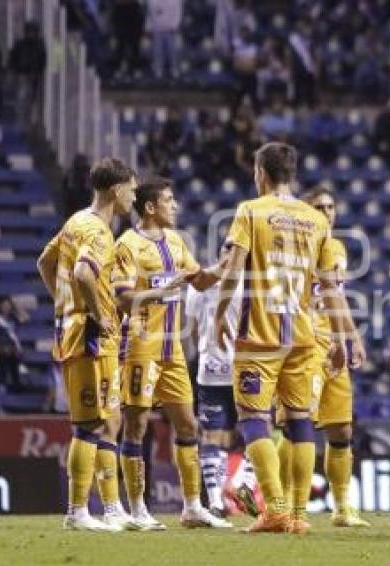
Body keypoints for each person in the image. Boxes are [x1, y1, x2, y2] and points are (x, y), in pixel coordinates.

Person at [215, 141, 365, 535]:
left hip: (259, 336)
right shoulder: (315, 222)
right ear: (292, 174)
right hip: (302, 337)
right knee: (301, 423)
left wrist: (218, 314)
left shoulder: (251, 211)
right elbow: (330, 288)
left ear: (260, 172)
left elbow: (231, 269)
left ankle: (276, 509)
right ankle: (298, 515)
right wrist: (348, 336)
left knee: (253, 420)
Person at [113, 177, 231, 530]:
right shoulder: (128, 246)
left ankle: (192, 507)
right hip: (139, 346)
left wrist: (233, 261)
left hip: (172, 349)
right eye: (169, 200)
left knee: (188, 425)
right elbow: (121, 297)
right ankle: (136, 509)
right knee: (135, 427)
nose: (175, 205)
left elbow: (201, 280)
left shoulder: (177, 242)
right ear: (150, 207)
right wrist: (163, 290)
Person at [36, 157, 138, 531]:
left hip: (76, 329)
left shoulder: (75, 221)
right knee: (90, 424)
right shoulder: (96, 231)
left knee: (109, 420)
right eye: (131, 187)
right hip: (89, 336)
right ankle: (77, 511)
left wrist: (63, 304)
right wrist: (94, 312)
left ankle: (110, 507)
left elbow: (44, 264)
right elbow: (81, 272)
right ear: (116, 189)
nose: (133, 195)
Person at [276, 186, 370, 528]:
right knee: (296, 424)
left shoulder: (337, 248)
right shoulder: (295, 247)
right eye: (319, 206)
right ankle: (283, 503)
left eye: (331, 206)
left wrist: (347, 337)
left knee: (341, 428)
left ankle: (343, 506)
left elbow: (336, 297)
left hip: (332, 343)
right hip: (304, 341)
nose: (327, 212)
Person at [185, 245, 259, 519]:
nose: (231, 251)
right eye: (228, 246)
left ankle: (233, 490)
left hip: (226, 369)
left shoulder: (201, 285)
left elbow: (191, 330)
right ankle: (223, 497)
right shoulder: (251, 283)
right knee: (241, 430)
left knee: (252, 429)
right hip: (230, 370)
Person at [8, 21, 46, 125]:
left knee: (32, 101)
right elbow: (12, 60)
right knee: (21, 99)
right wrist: (15, 72)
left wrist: (38, 74)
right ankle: (20, 120)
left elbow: (43, 62)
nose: (30, 34)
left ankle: (30, 122)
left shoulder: (40, 46)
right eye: (28, 31)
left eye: (32, 31)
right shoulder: (20, 44)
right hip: (22, 76)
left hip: (35, 77)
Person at [146, 0, 182, 80]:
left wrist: (175, 25)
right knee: (157, 51)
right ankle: (158, 70)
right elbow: (149, 14)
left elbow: (178, 13)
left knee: (172, 51)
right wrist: (148, 27)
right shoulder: (152, 1)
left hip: (170, 30)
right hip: (157, 29)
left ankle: (174, 69)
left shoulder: (175, 1)